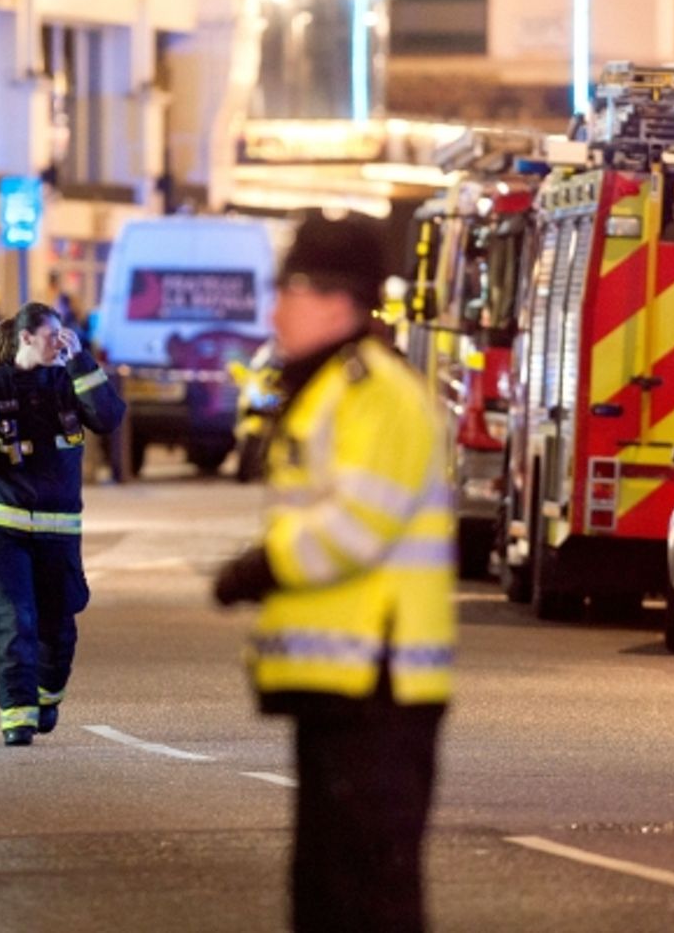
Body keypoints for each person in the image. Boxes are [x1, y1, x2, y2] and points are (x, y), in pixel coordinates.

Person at [211, 211, 456, 933]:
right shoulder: (325, 389)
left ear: (335, 300)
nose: (273, 310)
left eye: (288, 290)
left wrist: (262, 567)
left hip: (379, 684)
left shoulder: (374, 392)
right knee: (325, 893)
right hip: (339, 685)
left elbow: (356, 525)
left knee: (367, 895)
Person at [0, 302, 125, 746]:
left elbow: (108, 417)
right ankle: (16, 716)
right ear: (26, 337)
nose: (61, 343)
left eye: (64, 336)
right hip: (3, 532)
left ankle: (45, 698)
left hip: (59, 534)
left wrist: (82, 359)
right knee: (15, 616)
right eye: (53, 336)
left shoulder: (69, 383)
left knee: (58, 629)